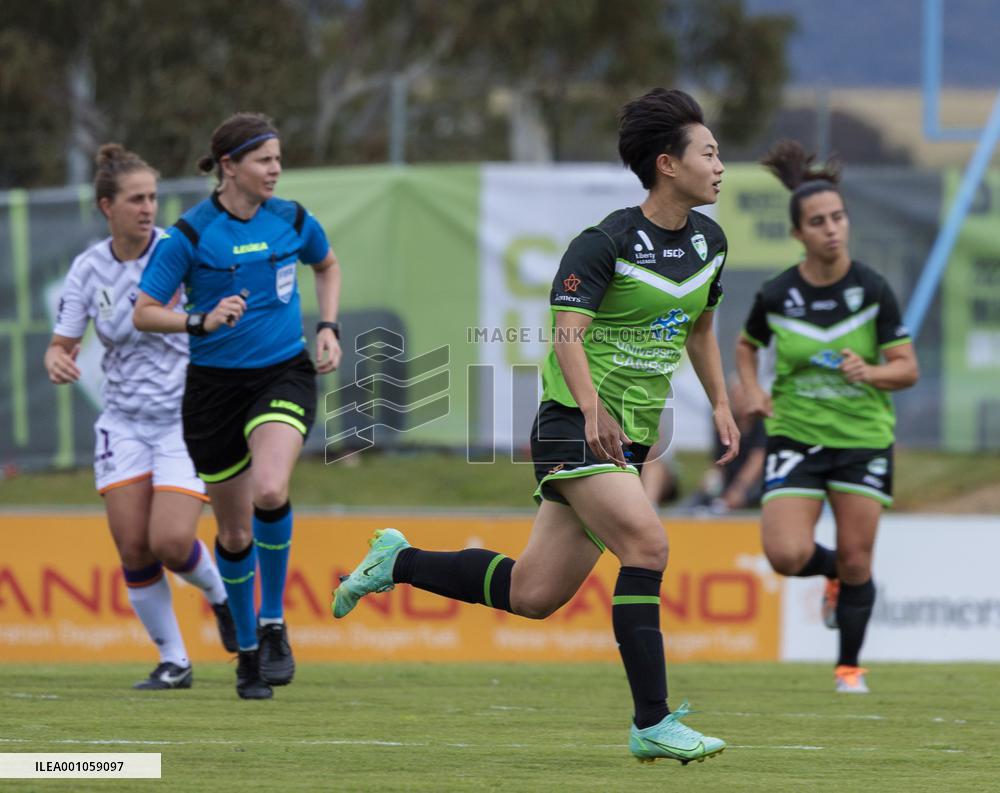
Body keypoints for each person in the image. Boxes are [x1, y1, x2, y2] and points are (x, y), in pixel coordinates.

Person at [334, 88, 736, 764]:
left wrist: (722, 402)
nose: (721, 166)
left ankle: (396, 561)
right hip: (573, 424)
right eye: (710, 153)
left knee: (533, 593)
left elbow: (700, 328)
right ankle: (653, 720)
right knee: (647, 545)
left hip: (630, 435)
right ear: (668, 164)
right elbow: (566, 335)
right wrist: (592, 408)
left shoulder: (710, 242)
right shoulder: (604, 242)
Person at [134, 113, 342, 700]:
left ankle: (273, 623)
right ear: (229, 166)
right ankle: (247, 652)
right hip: (213, 391)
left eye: (278, 159)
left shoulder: (292, 219)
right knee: (232, 532)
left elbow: (326, 264)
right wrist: (199, 319)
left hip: (282, 373)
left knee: (270, 490)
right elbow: (145, 311)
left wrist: (328, 326)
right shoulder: (189, 235)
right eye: (264, 159)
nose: (275, 169)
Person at [44, 143, 237, 690]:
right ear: (107, 206)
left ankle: (221, 598)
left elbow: (222, 309)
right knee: (133, 546)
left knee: (170, 542)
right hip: (124, 422)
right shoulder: (88, 268)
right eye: (136, 199)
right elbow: (61, 344)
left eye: (152, 197)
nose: (148, 208)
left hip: (184, 418)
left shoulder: (178, 252)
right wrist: (57, 359)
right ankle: (174, 661)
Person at [736, 140, 919, 694]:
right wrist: (752, 390)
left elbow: (907, 368)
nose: (832, 229)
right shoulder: (778, 294)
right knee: (785, 554)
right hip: (796, 434)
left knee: (859, 558)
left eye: (838, 217)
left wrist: (871, 371)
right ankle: (834, 574)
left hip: (862, 438)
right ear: (798, 234)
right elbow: (746, 346)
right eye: (818, 222)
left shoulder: (872, 289)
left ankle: (849, 670)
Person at [685, 377, 766, 514]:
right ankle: (687, 513)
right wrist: (711, 478)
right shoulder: (724, 425)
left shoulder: (761, 424)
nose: (740, 401)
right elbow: (718, 462)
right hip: (730, 478)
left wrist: (739, 486)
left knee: (751, 491)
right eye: (736, 397)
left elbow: (757, 460)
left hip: (754, 480)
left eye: (744, 397)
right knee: (707, 489)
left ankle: (722, 506)